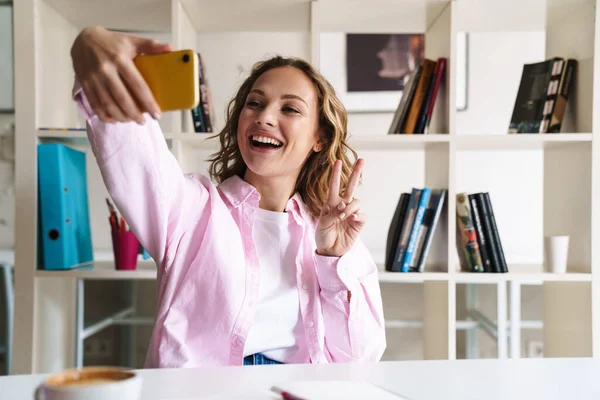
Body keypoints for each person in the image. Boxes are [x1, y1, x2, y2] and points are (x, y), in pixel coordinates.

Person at [70, 26, 386, 368]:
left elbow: (359, 358)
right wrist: (89, 44)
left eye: (290, 109)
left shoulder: (335, 237)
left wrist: (332, 259)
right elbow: (130, 146)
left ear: (319, 138)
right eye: (255, 103)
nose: (264, 117)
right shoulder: (191, 209)